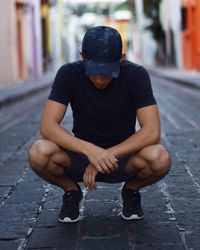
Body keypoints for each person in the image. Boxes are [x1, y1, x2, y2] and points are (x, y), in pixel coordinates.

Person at [28, 26, 170, 223]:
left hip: (124, 158)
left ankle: (131, 190)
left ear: (121, 58)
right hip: (80, 157)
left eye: (107, 72)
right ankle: (71, 191)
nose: (100, 79)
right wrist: (91, 151)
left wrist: (107, 154)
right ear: (82, 56)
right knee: (38, 152)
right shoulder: (68, 73)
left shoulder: (136, 74)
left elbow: (152, 131)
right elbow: (48, 126)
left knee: (160, 157)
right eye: (94, 71)